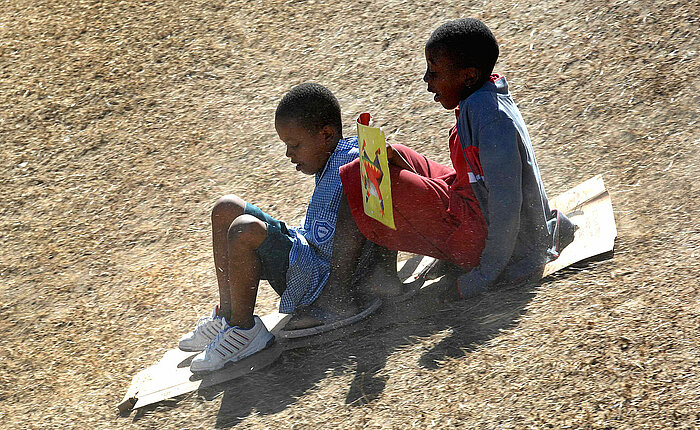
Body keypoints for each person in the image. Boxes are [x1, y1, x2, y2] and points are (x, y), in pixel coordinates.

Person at [327, 18, 575, 305]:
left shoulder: (492, 120)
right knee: (392, 156)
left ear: (468, 76)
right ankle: (377, 272)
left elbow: (507, 207)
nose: (426, 79)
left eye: (434, 71)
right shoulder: (482, 99)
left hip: (492, 241)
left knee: (362, 173)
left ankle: (336, 296)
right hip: (476, 206)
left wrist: (483, 276)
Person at [179, 83, 361, 372]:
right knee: (226, 207)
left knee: (244, 230)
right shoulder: (336, 157)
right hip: (303, 253)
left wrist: (338, 296)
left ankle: (245, 331)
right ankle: (228, 316)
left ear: (326, 135)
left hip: (315, 278)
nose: (289, 154)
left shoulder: (357, 160)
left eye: (295, 145)